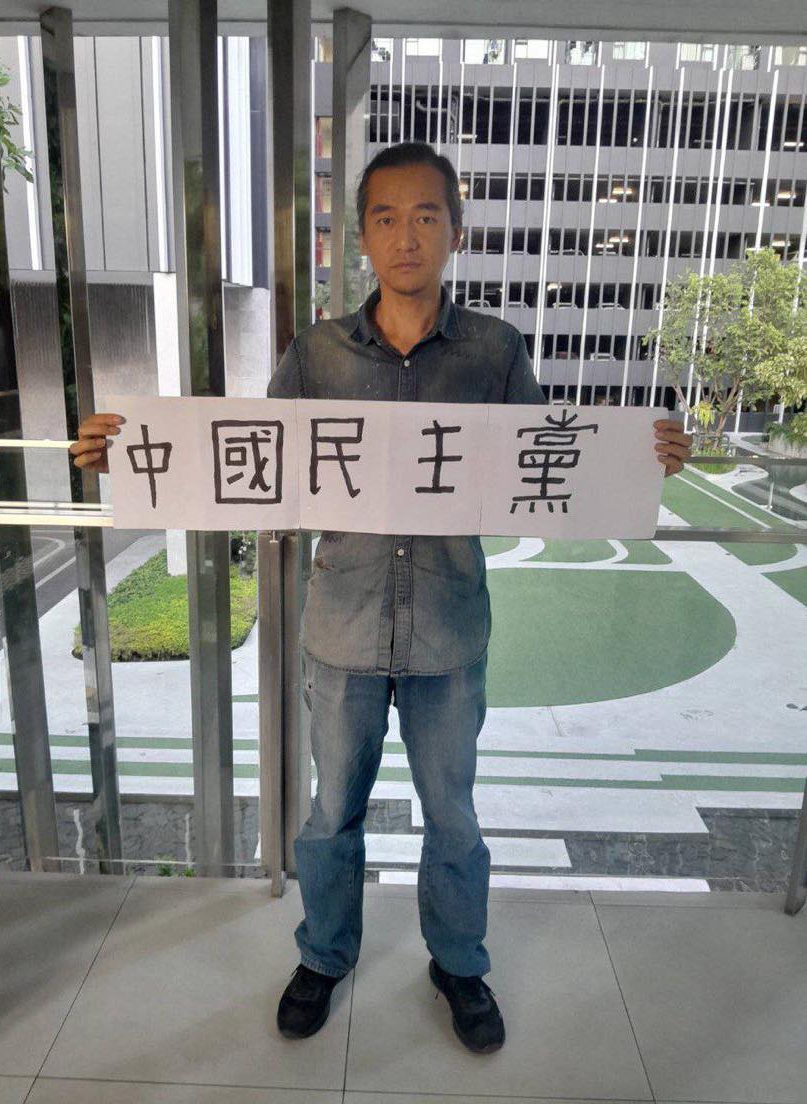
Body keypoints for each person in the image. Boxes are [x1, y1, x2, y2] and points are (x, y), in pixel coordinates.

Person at [69, 140, 692, 1055]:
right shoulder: (316, 353)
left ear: (456, 231)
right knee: (331, 817)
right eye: (387, 217)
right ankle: (324, 955)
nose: (407, 236)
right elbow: (251, 464)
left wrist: (642, 458)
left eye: (427, 215)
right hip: (344, 630)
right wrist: (126, 453)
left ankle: (459, 963)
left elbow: (548, 465)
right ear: (362, 236)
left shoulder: (494, 350)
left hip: (448, 632)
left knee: (455, 819)